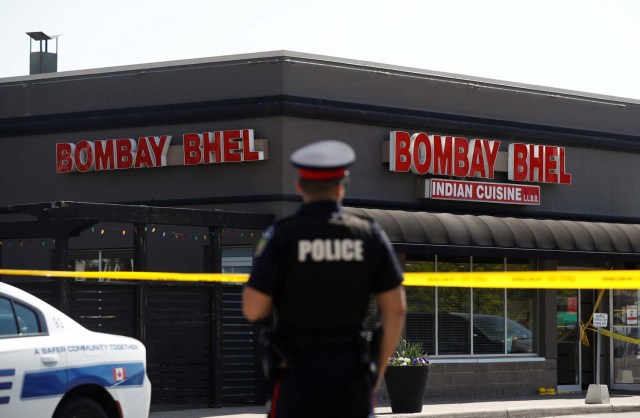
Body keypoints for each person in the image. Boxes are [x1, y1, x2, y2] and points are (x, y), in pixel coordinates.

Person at [242, 140, 406, 418]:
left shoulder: (283, 235)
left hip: (297, 375)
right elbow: (396, 309)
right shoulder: (368, 235)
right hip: (351, 375)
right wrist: (376, 374)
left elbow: (253, 308)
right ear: (341, 187)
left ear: (299, 186)